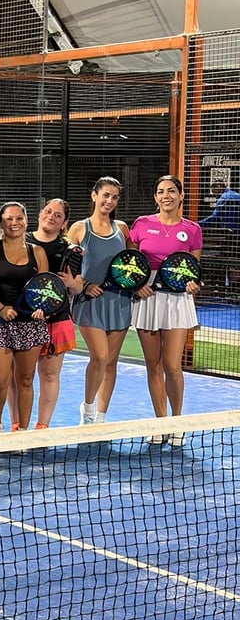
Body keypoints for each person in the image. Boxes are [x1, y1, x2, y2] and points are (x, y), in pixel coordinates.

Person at [129, 175, 202, 446]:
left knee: (172, 365)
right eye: (160, 191)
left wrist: (195, 284)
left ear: (181, 196)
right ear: (155, 198)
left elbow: (194, 270)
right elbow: (131, 264)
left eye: (171, 191)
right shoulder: (141, 224)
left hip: (177, 301)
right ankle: (160, 423)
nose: (166, 196)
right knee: (153, 365)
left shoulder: (192, 229)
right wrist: (136, 286)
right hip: (147, 297)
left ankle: (177, 422)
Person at [4, 199, 84, 431]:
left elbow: (77, 288)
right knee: (16, 376)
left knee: (49, 375)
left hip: (55, 320)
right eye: (48, 211)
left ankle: (42, 427)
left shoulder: (70, 251)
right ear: (39, 215)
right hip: (21, 319)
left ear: (64, 223)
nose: (51, 216)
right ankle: (16, 425)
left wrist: (71, 283)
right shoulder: (19, 241)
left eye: (58, 215)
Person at [0, 202, 49, 434]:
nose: (14, 223)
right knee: (0, 381)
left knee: (26, 380)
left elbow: (45, 288)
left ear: (26, 221)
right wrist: (0, 308)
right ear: (1, 223)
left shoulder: (37, 252)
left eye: (19, 218)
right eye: (9, 219)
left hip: (30, 326)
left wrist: (42, 308)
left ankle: (22, 432)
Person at [67, 176, 131, 425]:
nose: (109, 201)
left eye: (114, 197)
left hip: (120, 301)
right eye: (105, 195)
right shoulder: (79, 228)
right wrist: (84, 286)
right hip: (89, 301)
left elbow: (132, 265)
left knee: (111, 361)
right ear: (94, 195)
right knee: (100, 357)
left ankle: (102, 416)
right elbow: (67, 268)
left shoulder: (123, 229)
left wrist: (135, 287)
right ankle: (88, 408)